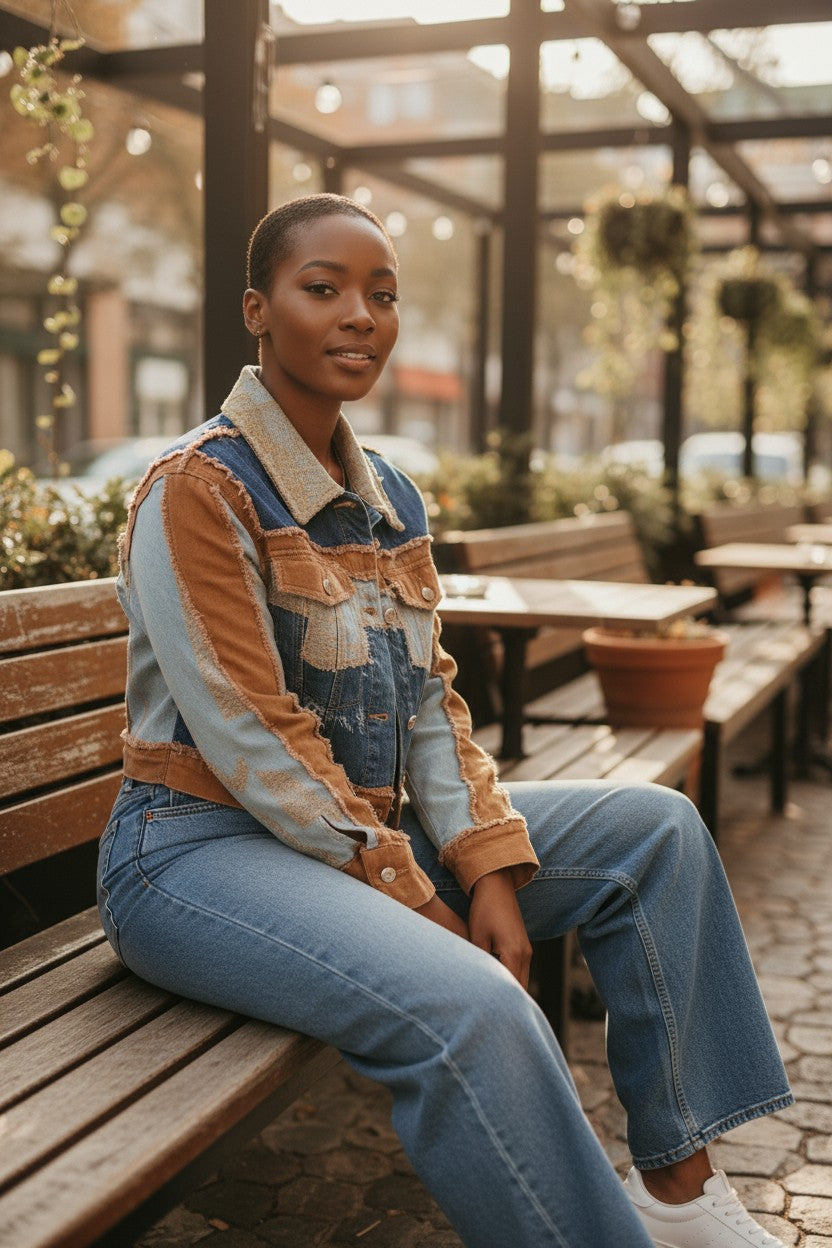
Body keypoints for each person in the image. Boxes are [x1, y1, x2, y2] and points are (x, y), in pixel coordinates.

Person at [97, 192, 794, 1248]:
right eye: (321, 289)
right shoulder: (197, 490)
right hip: (192, 854)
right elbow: (251, 736)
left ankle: (682, 1197)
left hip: (356, 836)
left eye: (380, 295)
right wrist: (422, 896)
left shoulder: (393, 500)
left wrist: (486, 861)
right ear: (257, 308)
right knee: (474, 1001)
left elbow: (429, 705)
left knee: (657, 834)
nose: (359, 317)